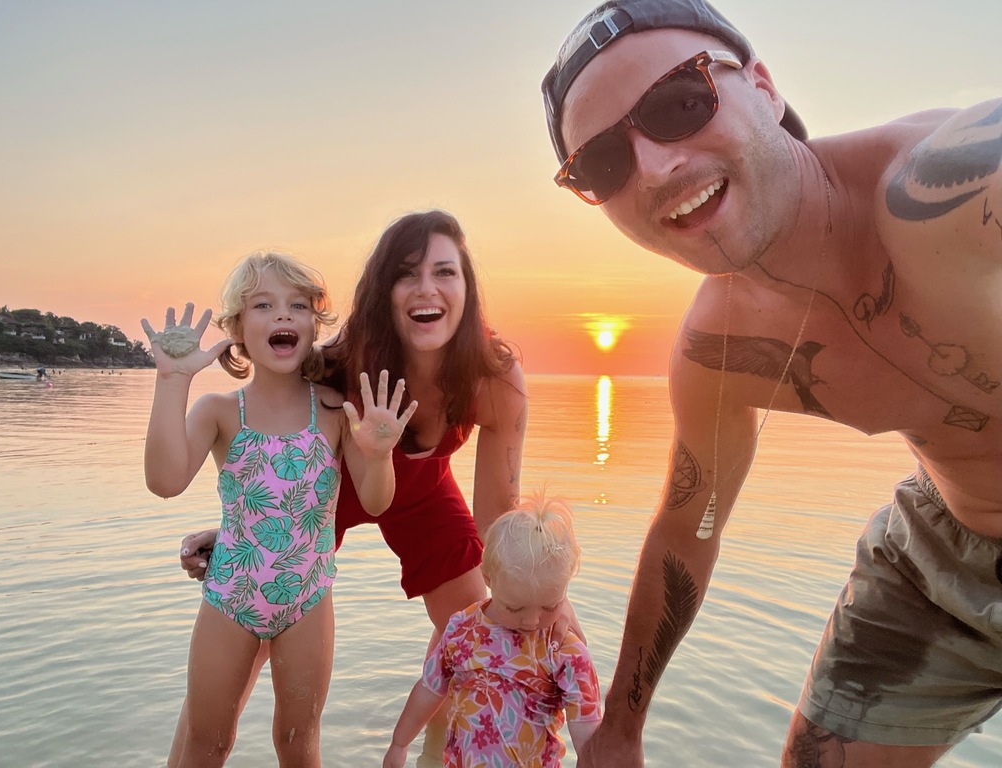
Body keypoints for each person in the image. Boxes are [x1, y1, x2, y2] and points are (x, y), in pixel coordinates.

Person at [542, 1, 1001, 766]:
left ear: (763, 83)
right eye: (602, 164)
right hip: (938, 549)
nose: (655, 167)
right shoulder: (716, 353)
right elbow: (695, 523)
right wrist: (621, 727)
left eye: (680, 104)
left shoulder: (947, 193)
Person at [142, 251, 417, 767]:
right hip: (230, 598)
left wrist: (378, 454)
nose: (283, 316)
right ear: (238, 328)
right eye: (264, 305)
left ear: (314, 325)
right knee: (209, 741)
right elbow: (163, 480)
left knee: (298, 742)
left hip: (308, 599)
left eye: (297, 306)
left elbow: (378, 500)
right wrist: (173, 381)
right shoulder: (221, 410)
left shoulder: (334, 410)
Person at [383, 492, 602, 768]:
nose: (532, 621)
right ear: (487, 577)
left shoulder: (564, 651)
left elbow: (587, 729)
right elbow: (429, 689)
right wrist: (399, 742)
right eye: (515, 608)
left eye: (550, 606)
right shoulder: (463, 630)